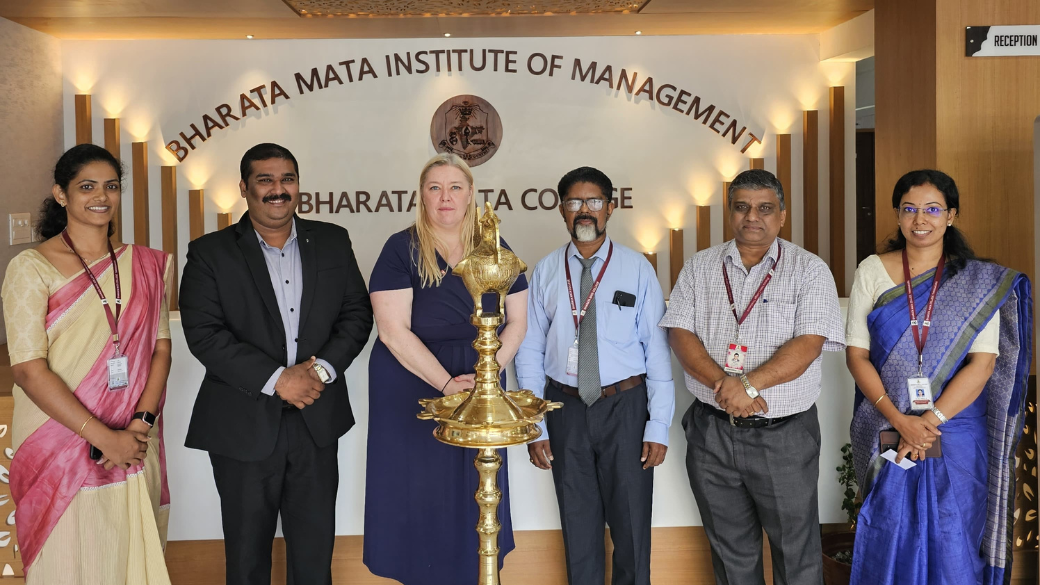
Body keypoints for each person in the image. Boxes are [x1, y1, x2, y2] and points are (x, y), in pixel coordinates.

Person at [179, 143, 373, 585]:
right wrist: (277, 380)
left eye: (287, 179)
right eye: (265, 180)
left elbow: (357, 315)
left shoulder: (332, 240)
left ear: (298, 186)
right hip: (242, 423)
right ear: (244, 188)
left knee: (314, 553)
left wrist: (319, 372)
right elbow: (205, 334)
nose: (277, 190)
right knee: (247, 558)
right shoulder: (210, 253)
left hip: (316, 420)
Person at [845, 170, 1031, 585]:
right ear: (897, 215)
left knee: (956, 535)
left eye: (932, 209)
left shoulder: (976, 282)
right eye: (909, 209)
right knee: (890, 530)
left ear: (951, 216)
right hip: (888, 422)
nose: (920, 219)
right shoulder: (872, 270)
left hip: (957, 430)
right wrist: (900, 420)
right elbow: (856, 356)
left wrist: (926, 423)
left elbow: (982, 364)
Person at [660, 169, 844, 585]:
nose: (752, 217)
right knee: (730, 552)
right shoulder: (700, 267)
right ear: (730, 213)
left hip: (784, 437)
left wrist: (747, 385)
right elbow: (681, 334)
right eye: (742, 207)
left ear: (781, 215)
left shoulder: (810, 270)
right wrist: (725, 386)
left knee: (795, 552)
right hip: (712, 432)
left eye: (764, 208)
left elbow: (809, 343)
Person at [2, 144, 173, 584]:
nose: (101, 196)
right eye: (87, 186)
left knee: (128, 557)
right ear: (61, 195)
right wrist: (103, 438)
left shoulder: (149, 265)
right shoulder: (31, 267)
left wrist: (139, 426)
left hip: (136, 439)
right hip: (58, 441)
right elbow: (27, 368)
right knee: (69, 562)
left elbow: (160, 349)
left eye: (111, 186)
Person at [363, 152, 527, 584]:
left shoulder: (495, 247)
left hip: (481, 382)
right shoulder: (401, 248)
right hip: (414, 383)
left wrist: (486, 382)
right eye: (434, 188)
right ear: (421, 196)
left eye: (455, 187)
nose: (445, 197)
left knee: (476, 490)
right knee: (418, 491)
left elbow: (518, 321)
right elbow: (393, 332)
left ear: (471, 194)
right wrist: (448, 384)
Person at [514, 166, 673, 585]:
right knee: (578, 526)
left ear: (611, 208)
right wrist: (534, 424)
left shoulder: (637, 268)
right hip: (564, 407)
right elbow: (528, 350)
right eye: (574, 202)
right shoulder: (545, 272)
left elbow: (656, 350)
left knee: (632, 526)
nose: (585, 211)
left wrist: (658, 426)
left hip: (626, 408)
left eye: (594, 201)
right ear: (561, 211)